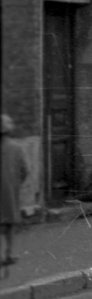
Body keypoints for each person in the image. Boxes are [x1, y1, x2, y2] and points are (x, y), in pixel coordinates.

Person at [1, 114, 29, 270]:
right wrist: (16, 183)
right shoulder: (16, 148)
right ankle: (9, 253)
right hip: (9, 190)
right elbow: (25, 170)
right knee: (10, 221)